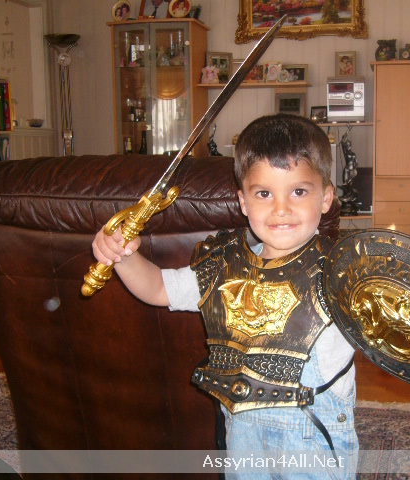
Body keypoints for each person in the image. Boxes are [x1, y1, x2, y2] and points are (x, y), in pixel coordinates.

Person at [91, 114, 358, 479]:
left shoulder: (344, 273)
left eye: (299, 191)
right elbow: (157, 288)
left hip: (313, 440)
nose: (281, 209)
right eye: (264, 193)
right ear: (243, 202)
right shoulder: (223, 266)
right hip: (243, 440)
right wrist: (122, 255)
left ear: (326, 197)